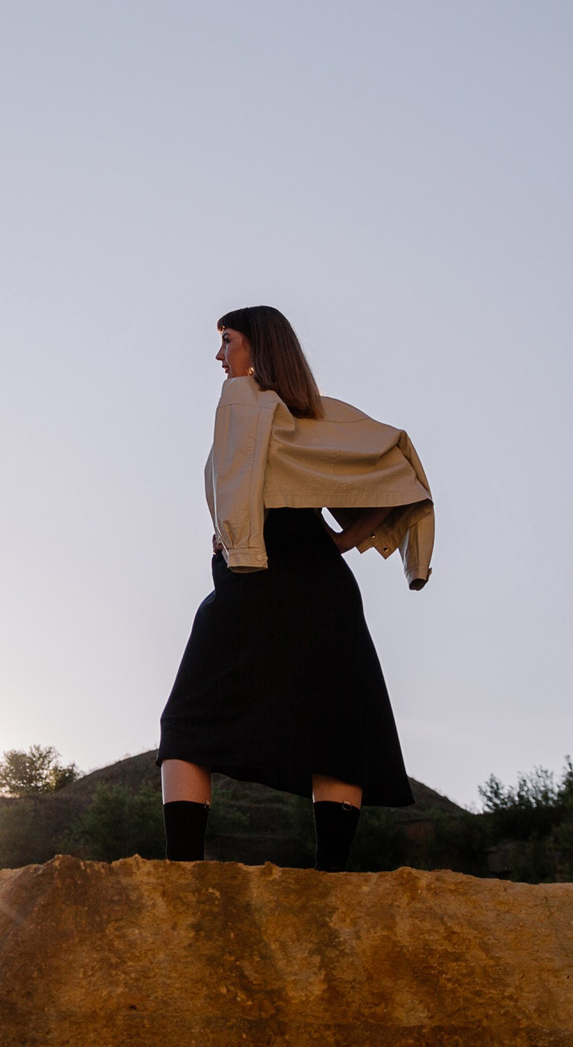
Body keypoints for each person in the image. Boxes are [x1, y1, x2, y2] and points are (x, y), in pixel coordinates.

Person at [156, 305, 436, 871]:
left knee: (187, 723)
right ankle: (331, 879)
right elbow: (394, 474)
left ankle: (181, 876)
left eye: (226, 341)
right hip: (315, 584)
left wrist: (332, 541)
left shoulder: (246, 407)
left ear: (257, 347)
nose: (218, 356)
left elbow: (392, 482)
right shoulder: (318, 420)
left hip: (257, 579)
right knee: (331, 727)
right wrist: (336, 542)